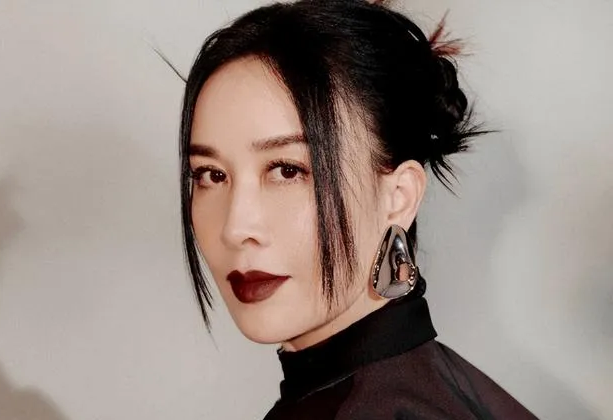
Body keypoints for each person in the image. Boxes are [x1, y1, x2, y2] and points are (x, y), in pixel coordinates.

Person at [177, 0, 538, 418]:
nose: (236, 227)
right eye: (211, 175)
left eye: (288, 171)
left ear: (398, 196)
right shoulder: (436, 386)